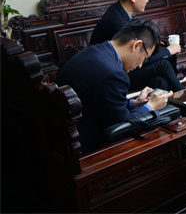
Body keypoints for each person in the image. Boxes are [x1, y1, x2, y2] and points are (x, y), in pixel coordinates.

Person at [57, 17, 173, 154]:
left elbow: (100, 103)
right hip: (86, 149)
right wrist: (151, 106)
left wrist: (134, 103)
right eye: (145, 57)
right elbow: (122, 127)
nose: (140, 65)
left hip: (63, 138)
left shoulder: (94, 51)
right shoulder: (114, 74)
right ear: (136, 45)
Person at [89, 0, 183, 92]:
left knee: (159, 81)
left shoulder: (118, 11)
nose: (147, 0)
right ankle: (183, 94)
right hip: (112, 74)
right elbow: (134, 54)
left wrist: (152, 43)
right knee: (162, 64)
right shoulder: (117, 22)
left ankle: (170, 101)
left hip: (122, 67)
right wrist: (168, 51)